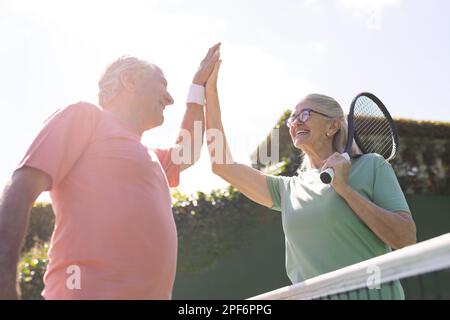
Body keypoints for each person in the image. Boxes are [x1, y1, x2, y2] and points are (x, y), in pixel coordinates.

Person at [0, 43, 221, 299]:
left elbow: (189, 150)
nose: (170, 99)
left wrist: (198, 86)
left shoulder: (150, 155)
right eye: (162, 84)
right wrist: (4, 283)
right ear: (130, 80)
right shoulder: (85, 116)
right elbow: (21, 189)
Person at [204, 58, 417, 299]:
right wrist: (209, 92)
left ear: (333, 126)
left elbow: (406, 239)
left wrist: (345, 189)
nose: (295, 123)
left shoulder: (372, 166)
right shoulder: (287, 190)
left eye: (304, 114)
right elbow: (221, 165)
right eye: (292, 119)